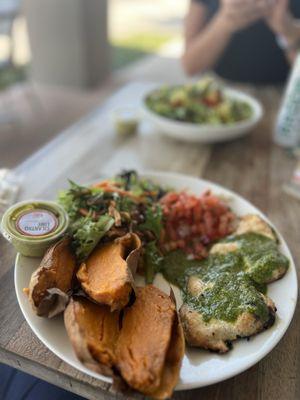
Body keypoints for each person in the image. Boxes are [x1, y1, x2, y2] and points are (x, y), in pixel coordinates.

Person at [182, 0, 300, 83]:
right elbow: (191, 66)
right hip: (222, 97)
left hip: (282, 100)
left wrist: (288, 32)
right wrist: (225, 21)